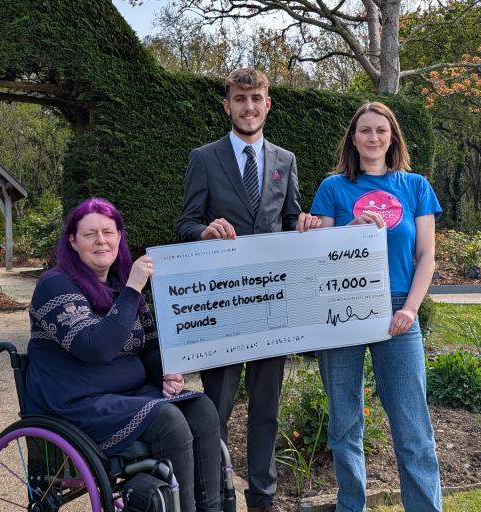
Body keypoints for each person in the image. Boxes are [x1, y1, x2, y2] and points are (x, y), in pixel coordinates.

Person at [176, 67, 321, 512]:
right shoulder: (204, 158)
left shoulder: (285, 160)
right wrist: (203, 232)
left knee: (266, 411)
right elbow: (184, 224)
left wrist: (307, 225)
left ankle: (263, 499)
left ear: (268, 104)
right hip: (221, 308)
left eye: (256, 98)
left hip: (272, 307)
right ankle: (218, 498)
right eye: (241, 99)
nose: (249, 107)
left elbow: (291, 220)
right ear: (228, 106)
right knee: (213, 413)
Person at [25, 197, 222, 512]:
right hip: (77, 401)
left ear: (119, 236)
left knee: (201, 408)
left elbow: (150, 348)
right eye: (90, 234)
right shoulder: (55, 285)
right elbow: (97, 347)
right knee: (168, 420)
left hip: (126, 395)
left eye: (108, 231)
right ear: (73, 241)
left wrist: (167, 372)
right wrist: (133, 290)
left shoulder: (119, 285)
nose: (101, 240)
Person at [311, 101, 443, 512]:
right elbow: (317, 257)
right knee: (345, 423)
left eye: (380, 131)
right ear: (353, 138)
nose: (373, 138)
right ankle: (352, 506)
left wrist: (411, 310)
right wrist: (348, 231)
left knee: (412, 426)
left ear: (392, 137)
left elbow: (427, 257)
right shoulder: (332, 188)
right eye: (364, 130)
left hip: (399, 311)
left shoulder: (416, 186)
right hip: (342, 309)